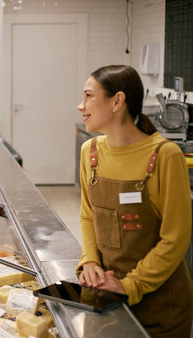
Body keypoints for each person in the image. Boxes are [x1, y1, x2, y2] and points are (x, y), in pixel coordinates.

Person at [76, 65, 192, 337]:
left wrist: (132, 285)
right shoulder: (90, 151)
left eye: (88, 96)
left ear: (117, 100)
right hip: (106, 296)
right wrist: (90, 262)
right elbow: (88, 215)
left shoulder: (165, 155)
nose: (80, 106)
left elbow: (176, 237)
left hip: (160, 307)